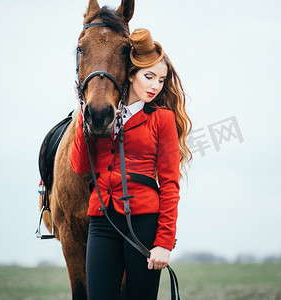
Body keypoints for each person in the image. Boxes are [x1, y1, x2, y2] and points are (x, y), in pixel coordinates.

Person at [70, 28, 191, 299]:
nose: (155, 86)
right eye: (149, 77)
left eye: (161, 80)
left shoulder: (163, 119)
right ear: (131, 73)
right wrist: (84, 113)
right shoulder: (102, 114)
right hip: (102, 220)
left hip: (144, 223)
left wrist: (164, 243)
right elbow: (79, 166)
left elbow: (170, 184)